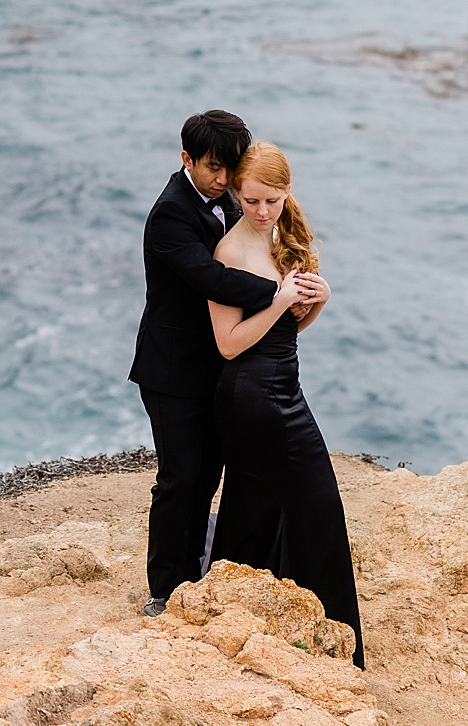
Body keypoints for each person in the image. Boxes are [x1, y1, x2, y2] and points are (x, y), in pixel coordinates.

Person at [205, 141, 362, 669]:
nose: (261, 211)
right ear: (237, 194)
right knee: (318, 503)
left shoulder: (282, 237)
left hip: (282, 387)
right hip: (251, 396)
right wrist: (277, 301)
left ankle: (239, 622)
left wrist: (318, 301)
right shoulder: (229, 253)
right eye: (250, 201)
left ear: (285, 193)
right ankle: (340, 648)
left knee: (256, 508)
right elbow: (228, 343)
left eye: (271, 200)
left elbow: (290, 330)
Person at [130, 111, 280, 615]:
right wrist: (279, 295)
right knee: (180, 479)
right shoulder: (171, 214)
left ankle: (197, 562)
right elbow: (213, 280)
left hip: (217, 364)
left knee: (209, 475)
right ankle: (165, 589)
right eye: (214, 168)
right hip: (172, 371)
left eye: (231, 168)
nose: (224, 179)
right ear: (186, 159)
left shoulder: (231, 199)